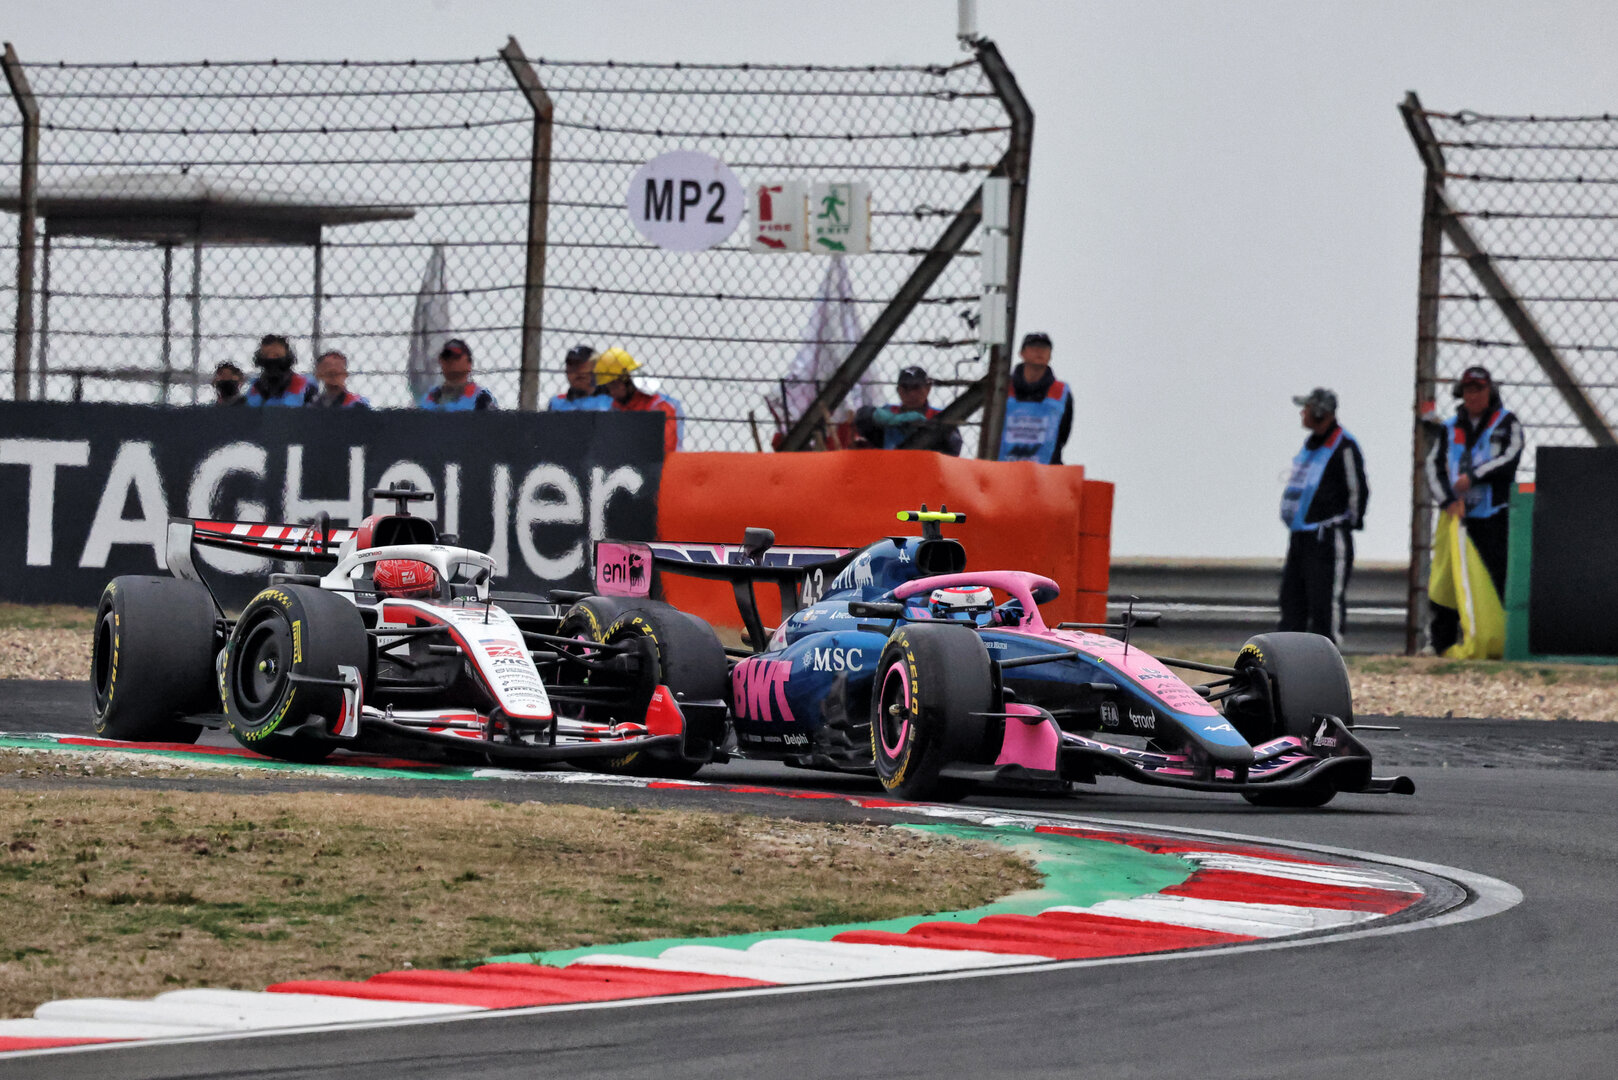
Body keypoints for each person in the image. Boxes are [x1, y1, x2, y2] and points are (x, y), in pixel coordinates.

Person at [1425, 364, 1523, 653]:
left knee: (1495, 578)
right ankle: (1441, 644)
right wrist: (1447, 501)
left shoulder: (1506, 423)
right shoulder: (1449, 428)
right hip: (1457, 518)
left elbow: (1510, 456)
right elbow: (1433, 468)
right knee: (1447, 579)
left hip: (1494, 517)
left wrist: (1476, 476)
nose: (1473, 396)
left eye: (1479, 389)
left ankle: (1495, 642)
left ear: (1489, 391)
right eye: (1468, 390)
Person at [1277, 387, 1369, 645]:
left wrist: (1345, 523)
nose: (1302, 413)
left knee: (1325, 603)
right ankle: (1289, 657)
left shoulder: (1344, 446)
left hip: (1327, 538)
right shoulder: (1311, 445)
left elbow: (1357, 489)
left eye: (1307, 408)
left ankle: (1329, 657)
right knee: (1292, 600)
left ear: (1320, 412)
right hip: (1301, 537)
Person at [854, 365, 963, 455]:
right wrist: (893, 419)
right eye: (905, 388)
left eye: (916, 387)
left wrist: (929, 428)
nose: (911, 394)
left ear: (928, 389)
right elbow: (861, 419)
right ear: (898, 390)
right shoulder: (889, 411)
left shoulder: (938, 415)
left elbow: (954, 445)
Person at [1000, 331, 1073, 464]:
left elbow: (1063, 433)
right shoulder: (1003, 388)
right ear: (1021, 353)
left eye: (1045, 348)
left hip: (1047, 472)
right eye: (1033, 347)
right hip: (1004, 469)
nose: (1039, 351)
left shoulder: (1061, 391)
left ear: (1050, 355)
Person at [595, 347, 684, 453]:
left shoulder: (660, 406)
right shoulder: (615, 409)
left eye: (613, 385)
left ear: (627, 380)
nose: (611, 392)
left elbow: (665, 449)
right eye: (608, 387)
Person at [419, 338, 496, 411]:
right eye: (446, 357)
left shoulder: (481, 397)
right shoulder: (431, 396)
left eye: (456, 357)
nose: (450, 361)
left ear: (469, 363)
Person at [243, 335, 318, 407]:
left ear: (288, 357)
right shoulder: (254, 387)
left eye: (277, 355)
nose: (271, 359)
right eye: (266, 355)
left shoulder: (305, 384)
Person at [548, 344, 613, 412]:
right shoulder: (557, 403)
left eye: (582, 365)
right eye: (571, 365)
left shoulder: (611, 400)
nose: (577, 371)